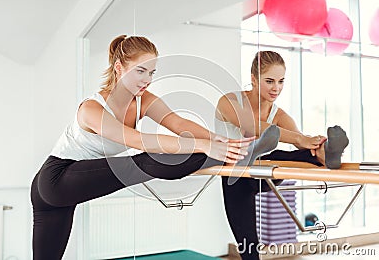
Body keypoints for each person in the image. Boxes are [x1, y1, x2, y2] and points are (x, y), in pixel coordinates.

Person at [30, 35, 261, 260]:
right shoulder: (91, 109)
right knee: (143, 162)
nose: (147, 79)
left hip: (56, 187)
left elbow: (178, 123)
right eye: (140, 71)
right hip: (57, 179)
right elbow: (139, 140)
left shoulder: (144, 99)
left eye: (151, 72)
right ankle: (231, 156)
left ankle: (236, 152)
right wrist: (205, 147)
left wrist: (218, 140)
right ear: (119, 67)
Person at [215, 51, 349, 259]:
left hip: (264, 174)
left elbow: (302, 145)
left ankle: (327, 153)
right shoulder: (230, 101)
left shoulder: (279, 115)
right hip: (236, 176)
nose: (276, 88)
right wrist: (299, 139)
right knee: (250, 251)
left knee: (297, 154)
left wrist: (315, 144)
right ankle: (259, 150)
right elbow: (251, 126)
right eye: (269, 81)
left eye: (280, 81)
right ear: (253, 79)